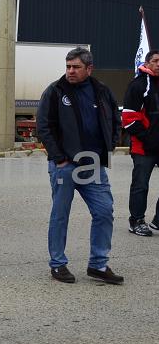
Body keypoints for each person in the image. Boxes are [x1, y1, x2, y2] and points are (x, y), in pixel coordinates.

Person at [37, 47, 123, 284]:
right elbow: (44, 126)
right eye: (68, 66)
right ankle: (58, 264)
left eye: (76, 67)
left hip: (94, 166)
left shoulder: (101, 91)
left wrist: (111, 144)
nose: (70, 71)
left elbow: (115, 119)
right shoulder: (55, 91)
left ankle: (98, 264)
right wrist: (59, 158)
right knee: (60, 215)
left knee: (104, 212)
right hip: (65, 166)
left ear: (89, 68)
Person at [122, 50, 159, 237]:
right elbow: (128, 119)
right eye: (156, 60)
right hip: (143, 146)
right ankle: (136, 220)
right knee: (141, 185)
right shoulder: (138, 85)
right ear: (148, 63)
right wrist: (149, 137)